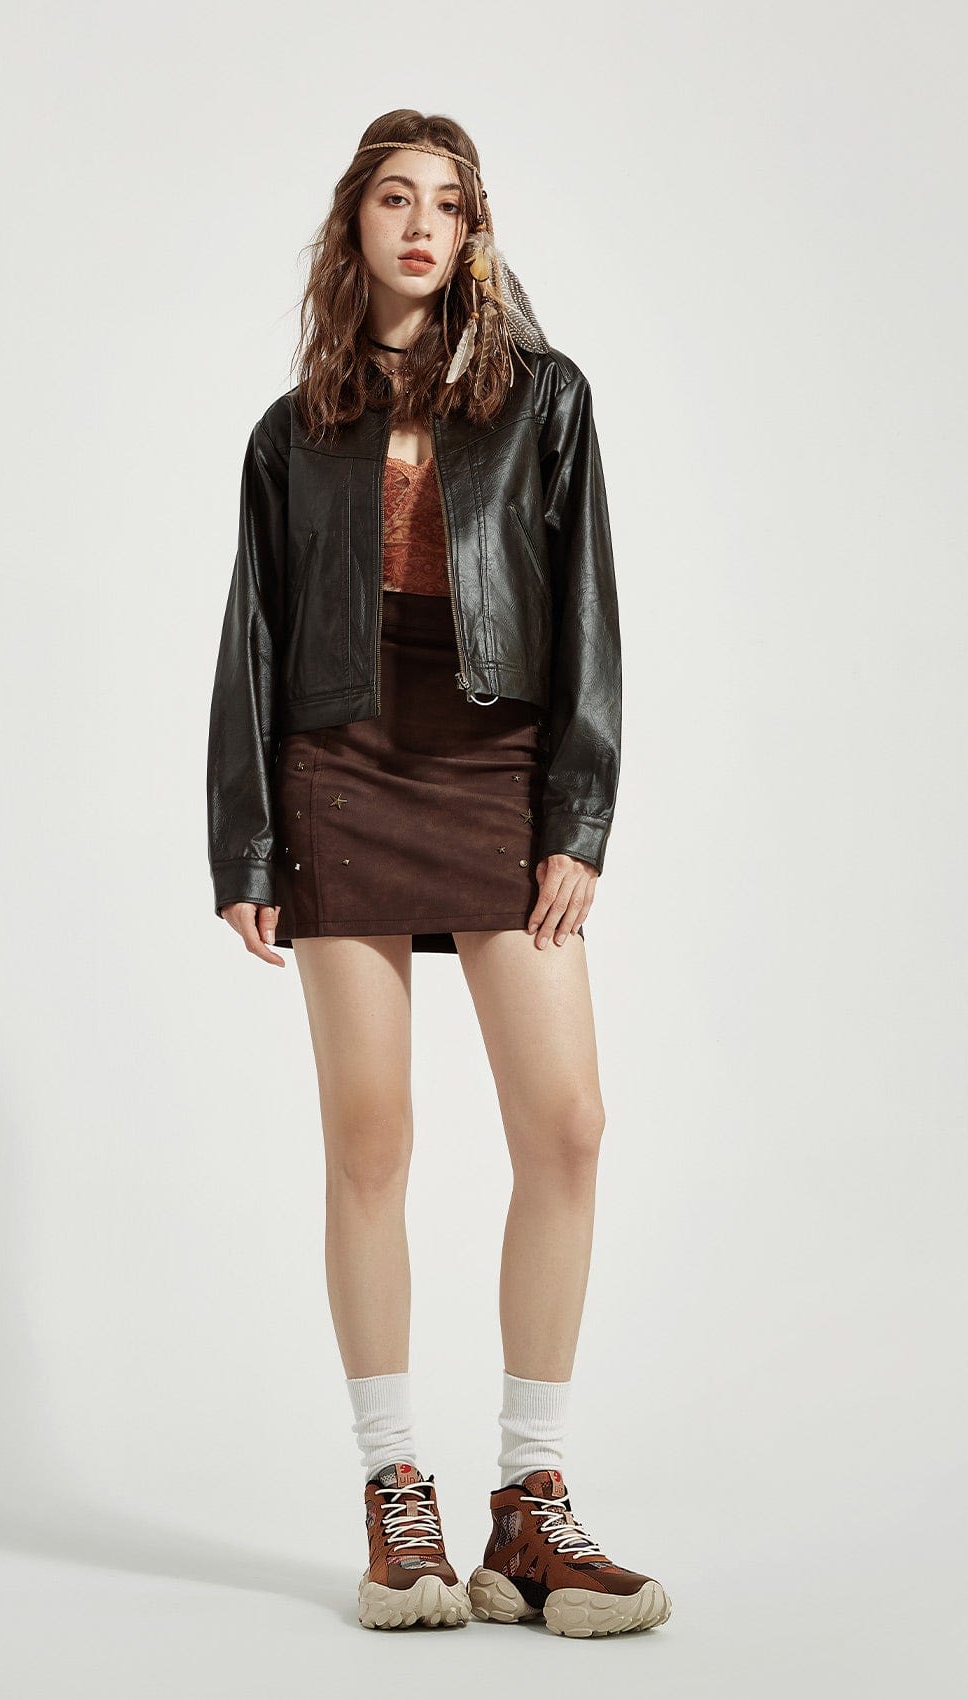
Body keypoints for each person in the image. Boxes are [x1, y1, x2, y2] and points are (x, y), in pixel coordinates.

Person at [206, 110, 669, 1638]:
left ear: (474, 235)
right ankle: (395, 1497)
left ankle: (529, 1507)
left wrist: (576, 819)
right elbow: (253, 641)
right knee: (371, 1140)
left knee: (569, 1127)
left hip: (497, 775)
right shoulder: (292, 432)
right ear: (354, 224)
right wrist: (247, 842)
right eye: (396, 199)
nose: (422, 224)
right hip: (340, 773)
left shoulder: (545, 399)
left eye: (449, 204)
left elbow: (589, 610)